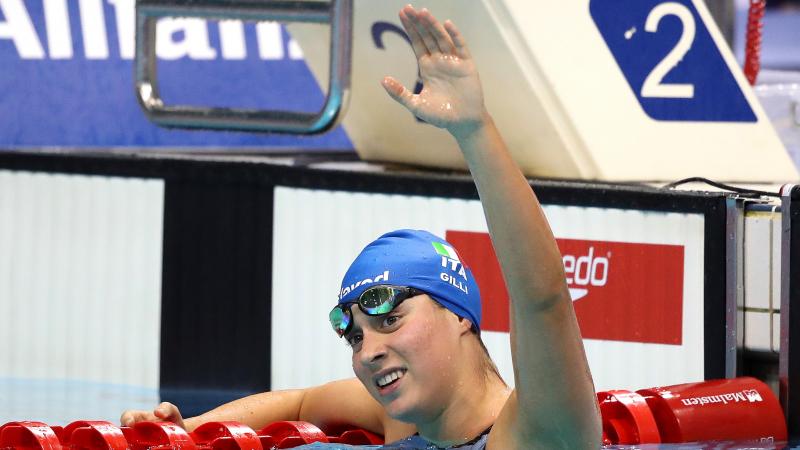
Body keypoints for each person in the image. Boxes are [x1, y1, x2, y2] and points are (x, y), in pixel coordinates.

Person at [121, 5, 601, 449]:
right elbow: (302, 404)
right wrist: (188, 431)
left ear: (460, 316)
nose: (369, 352)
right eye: (357, 337)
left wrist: (474, 132)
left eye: (389, 321)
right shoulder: (406, 417)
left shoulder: (539, 432)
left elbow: (543, 297)